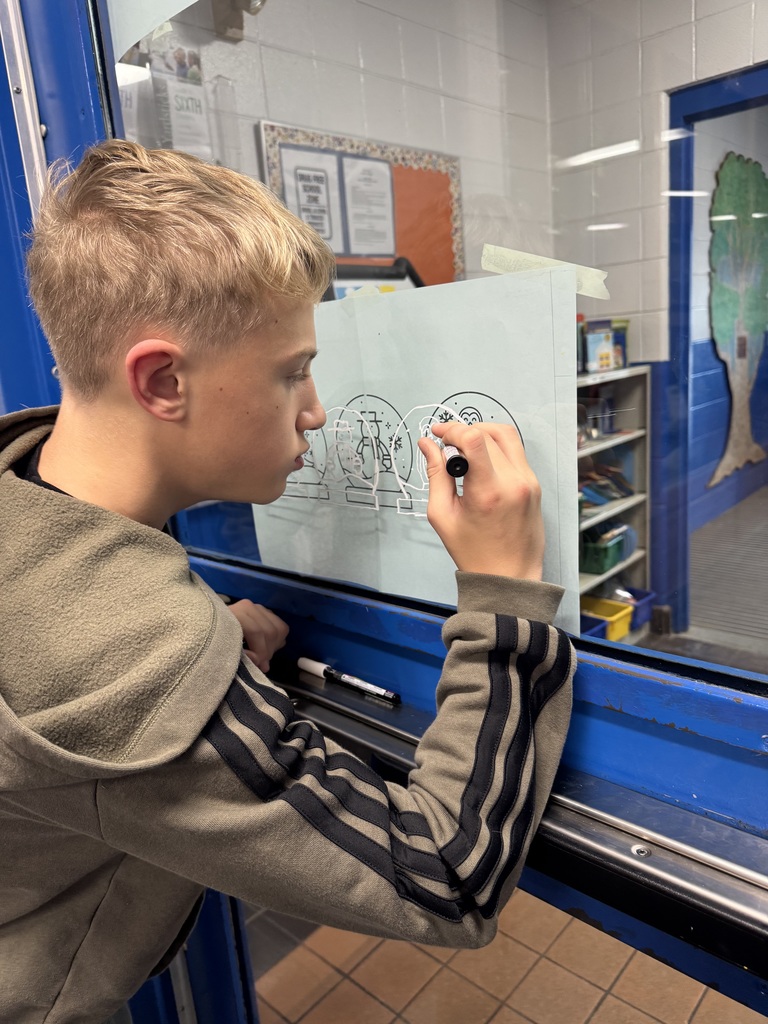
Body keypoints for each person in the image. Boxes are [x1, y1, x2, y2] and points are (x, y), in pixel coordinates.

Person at [0, 139, 575, 1024]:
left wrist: (209, 641)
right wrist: (506, 593)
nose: (315, 409)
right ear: (161, 380)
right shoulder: (127, 663)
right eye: (292, 371)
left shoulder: (25, 501)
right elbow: (447, 877)